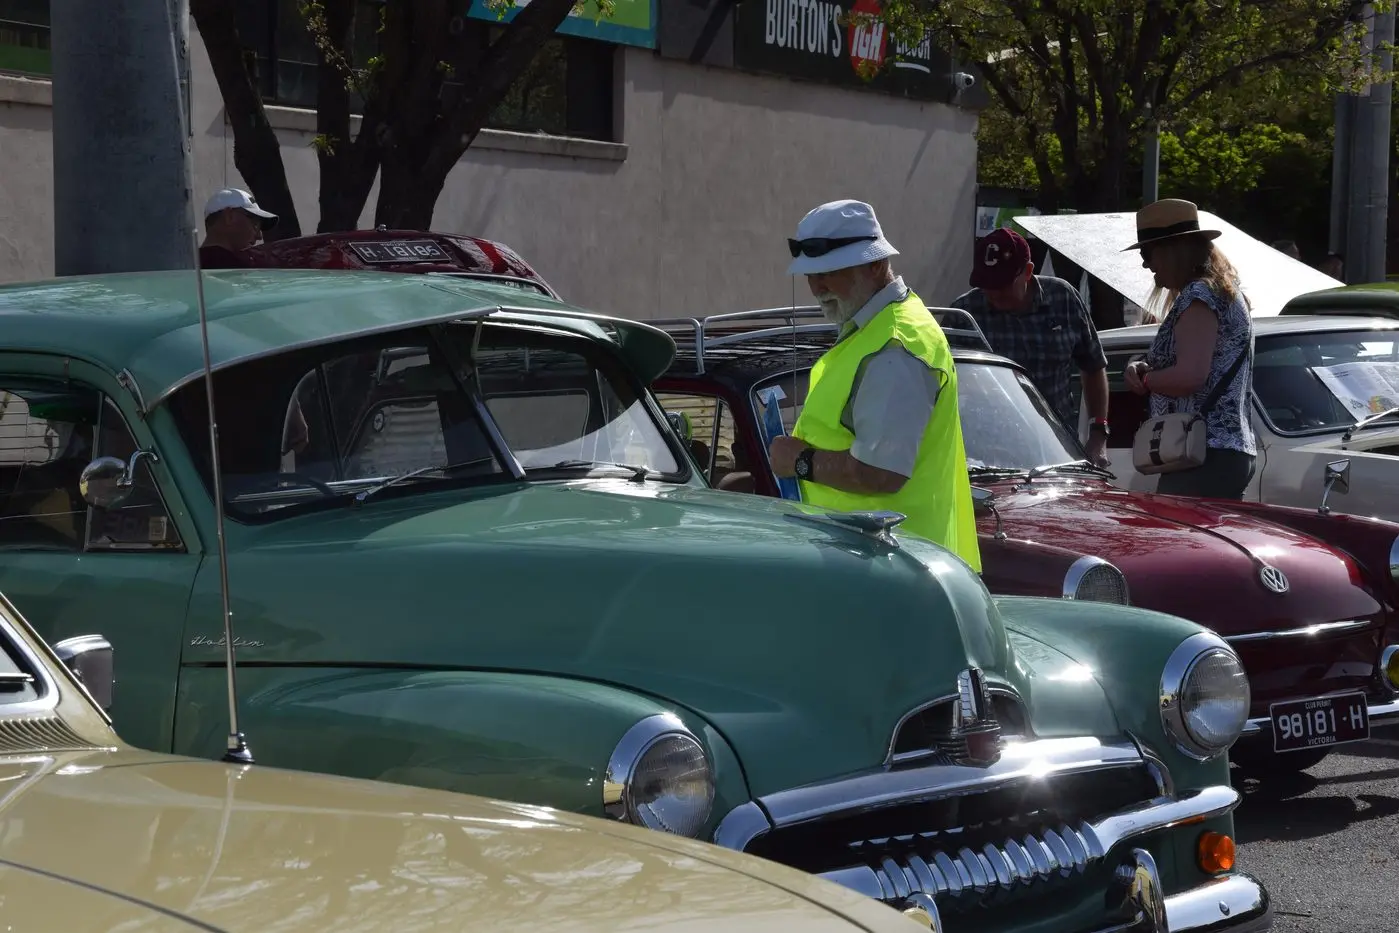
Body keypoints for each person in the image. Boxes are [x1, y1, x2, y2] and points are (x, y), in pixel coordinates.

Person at [767, 199, 981, 572]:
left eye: (829, 272)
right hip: (880, 566)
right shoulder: (881, 331)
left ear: (876, 264)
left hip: (891, 572)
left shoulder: (894, 346)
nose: (817, 287)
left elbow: (882, 472)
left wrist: (799, 461)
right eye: (809, 275)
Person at [1122, 199, 1257, 499]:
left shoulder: (1198, 295)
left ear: (1173, 251)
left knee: (1178, 540)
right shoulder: (1218, 292)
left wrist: (1145, 380)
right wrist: (1143, 365)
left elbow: (1190, 375)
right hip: (1219, 451)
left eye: (1147, 253)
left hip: (1201, 451)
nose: (1145, 264)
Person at [948, 228, 1111, 466]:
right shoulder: (964, 314)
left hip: (1057, 448)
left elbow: (1094, 366)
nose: (993, 293)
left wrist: (1098, 436)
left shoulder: (1063, 299)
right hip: (985, 455)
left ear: (1027, 272)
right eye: (985, 284)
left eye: (1002, 285)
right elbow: (943, 386)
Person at [199, 187, 277, 269]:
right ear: (229, 216)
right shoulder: (242, 269)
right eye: (255, 225)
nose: (259, 236)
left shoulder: (188, 264)